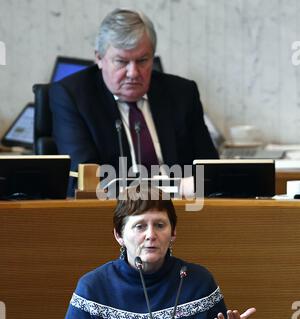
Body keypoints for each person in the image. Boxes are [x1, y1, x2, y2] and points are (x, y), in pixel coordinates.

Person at [49, 9, 219, 195]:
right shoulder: (72, 96)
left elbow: (210, 170)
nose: (133, 73)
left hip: (183, 210)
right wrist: (175, 187)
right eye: (121, 62)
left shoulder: (182, 93)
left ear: (153, 57)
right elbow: (85, 182)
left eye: (142, 61)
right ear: (99, 58)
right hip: (114, 214)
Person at [61, 185, 256, 319]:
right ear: (119, 235)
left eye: (160, 225)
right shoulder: (93, 287)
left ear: (173, 233)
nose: (151, 235)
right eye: (140, 226)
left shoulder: (199, 282)